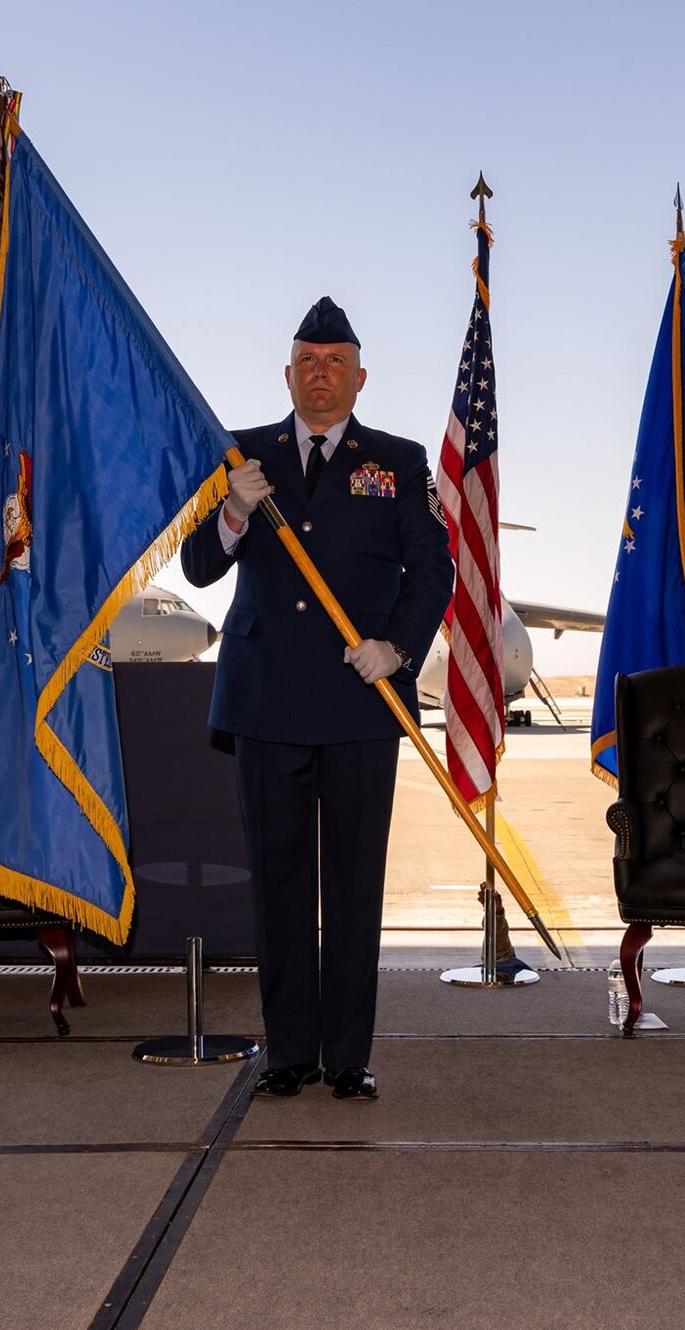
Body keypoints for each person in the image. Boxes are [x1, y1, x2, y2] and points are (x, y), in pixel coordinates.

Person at [182, 297, 453, 1101]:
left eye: (336, 362)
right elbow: (199, 568)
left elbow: (431, 570)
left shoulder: (398, 461)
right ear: (287, 374)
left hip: (360, 702)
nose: (321, 375)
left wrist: (396, 646)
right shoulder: (241, 455)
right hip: (266, 704)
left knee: (354, 884)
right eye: (307, 361)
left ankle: (348, 1058)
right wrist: (232, 510)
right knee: (280, 884)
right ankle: (290, 1053)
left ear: (361, 377)